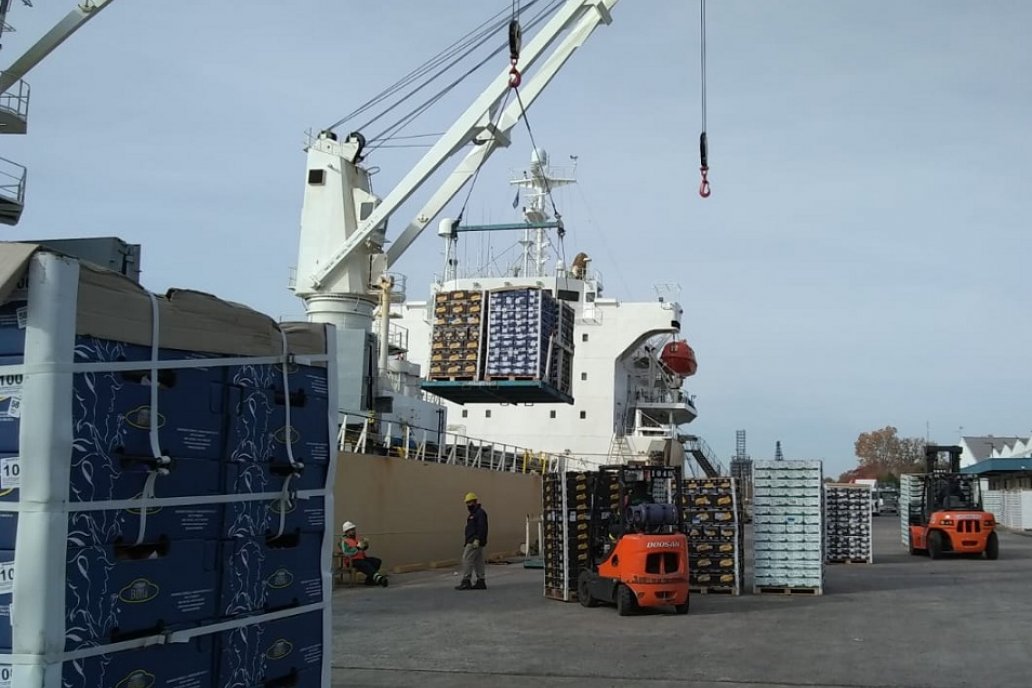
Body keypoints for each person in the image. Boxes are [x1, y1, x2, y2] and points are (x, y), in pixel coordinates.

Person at [455, 492, 488, 590]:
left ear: (475, 502)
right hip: (475, 541)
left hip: (474, 541)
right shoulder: (473, 514)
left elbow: (482, 527)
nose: (468, 505)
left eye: (470, 502)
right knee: (478, 561)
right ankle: (481, 581)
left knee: (466, 559)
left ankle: (466, 580)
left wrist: (477, 539)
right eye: (467, 503)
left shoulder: (479, 513)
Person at [341, 521, 388, 587]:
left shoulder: (356, 538)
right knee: (365, 564)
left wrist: (365, 544)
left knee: (377, 561)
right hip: (352, 561)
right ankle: (379, 578)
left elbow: (362, 548)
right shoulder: (344, 541)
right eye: (351, 530)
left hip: (362, 558)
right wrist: (357, 548)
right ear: (346, 532)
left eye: (353, 529)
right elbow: (346, 552)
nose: (353, 531)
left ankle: (369, 580)